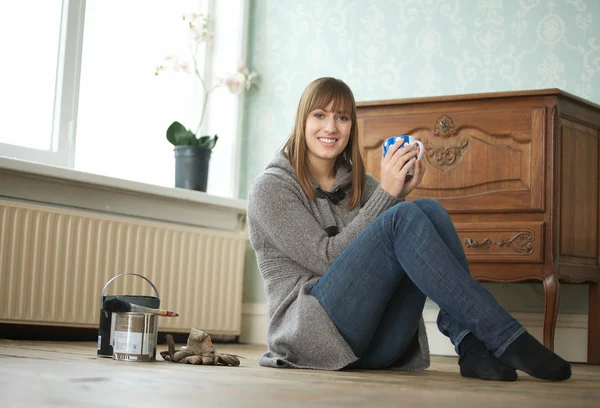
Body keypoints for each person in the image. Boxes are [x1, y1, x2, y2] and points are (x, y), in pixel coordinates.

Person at [246, 77, 571, 381]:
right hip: (313, 340)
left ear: (351, 127)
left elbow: (395, 240)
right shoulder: (271, 189)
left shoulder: (358, 183)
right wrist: (389, 196)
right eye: (320, 115)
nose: (331, 127)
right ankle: (505, 336)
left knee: (426, 209)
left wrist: (398, 193)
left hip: (377, 343)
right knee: (402, 215)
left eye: (342, 118)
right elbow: (328, 259)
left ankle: (470, 344)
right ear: (302, 120)